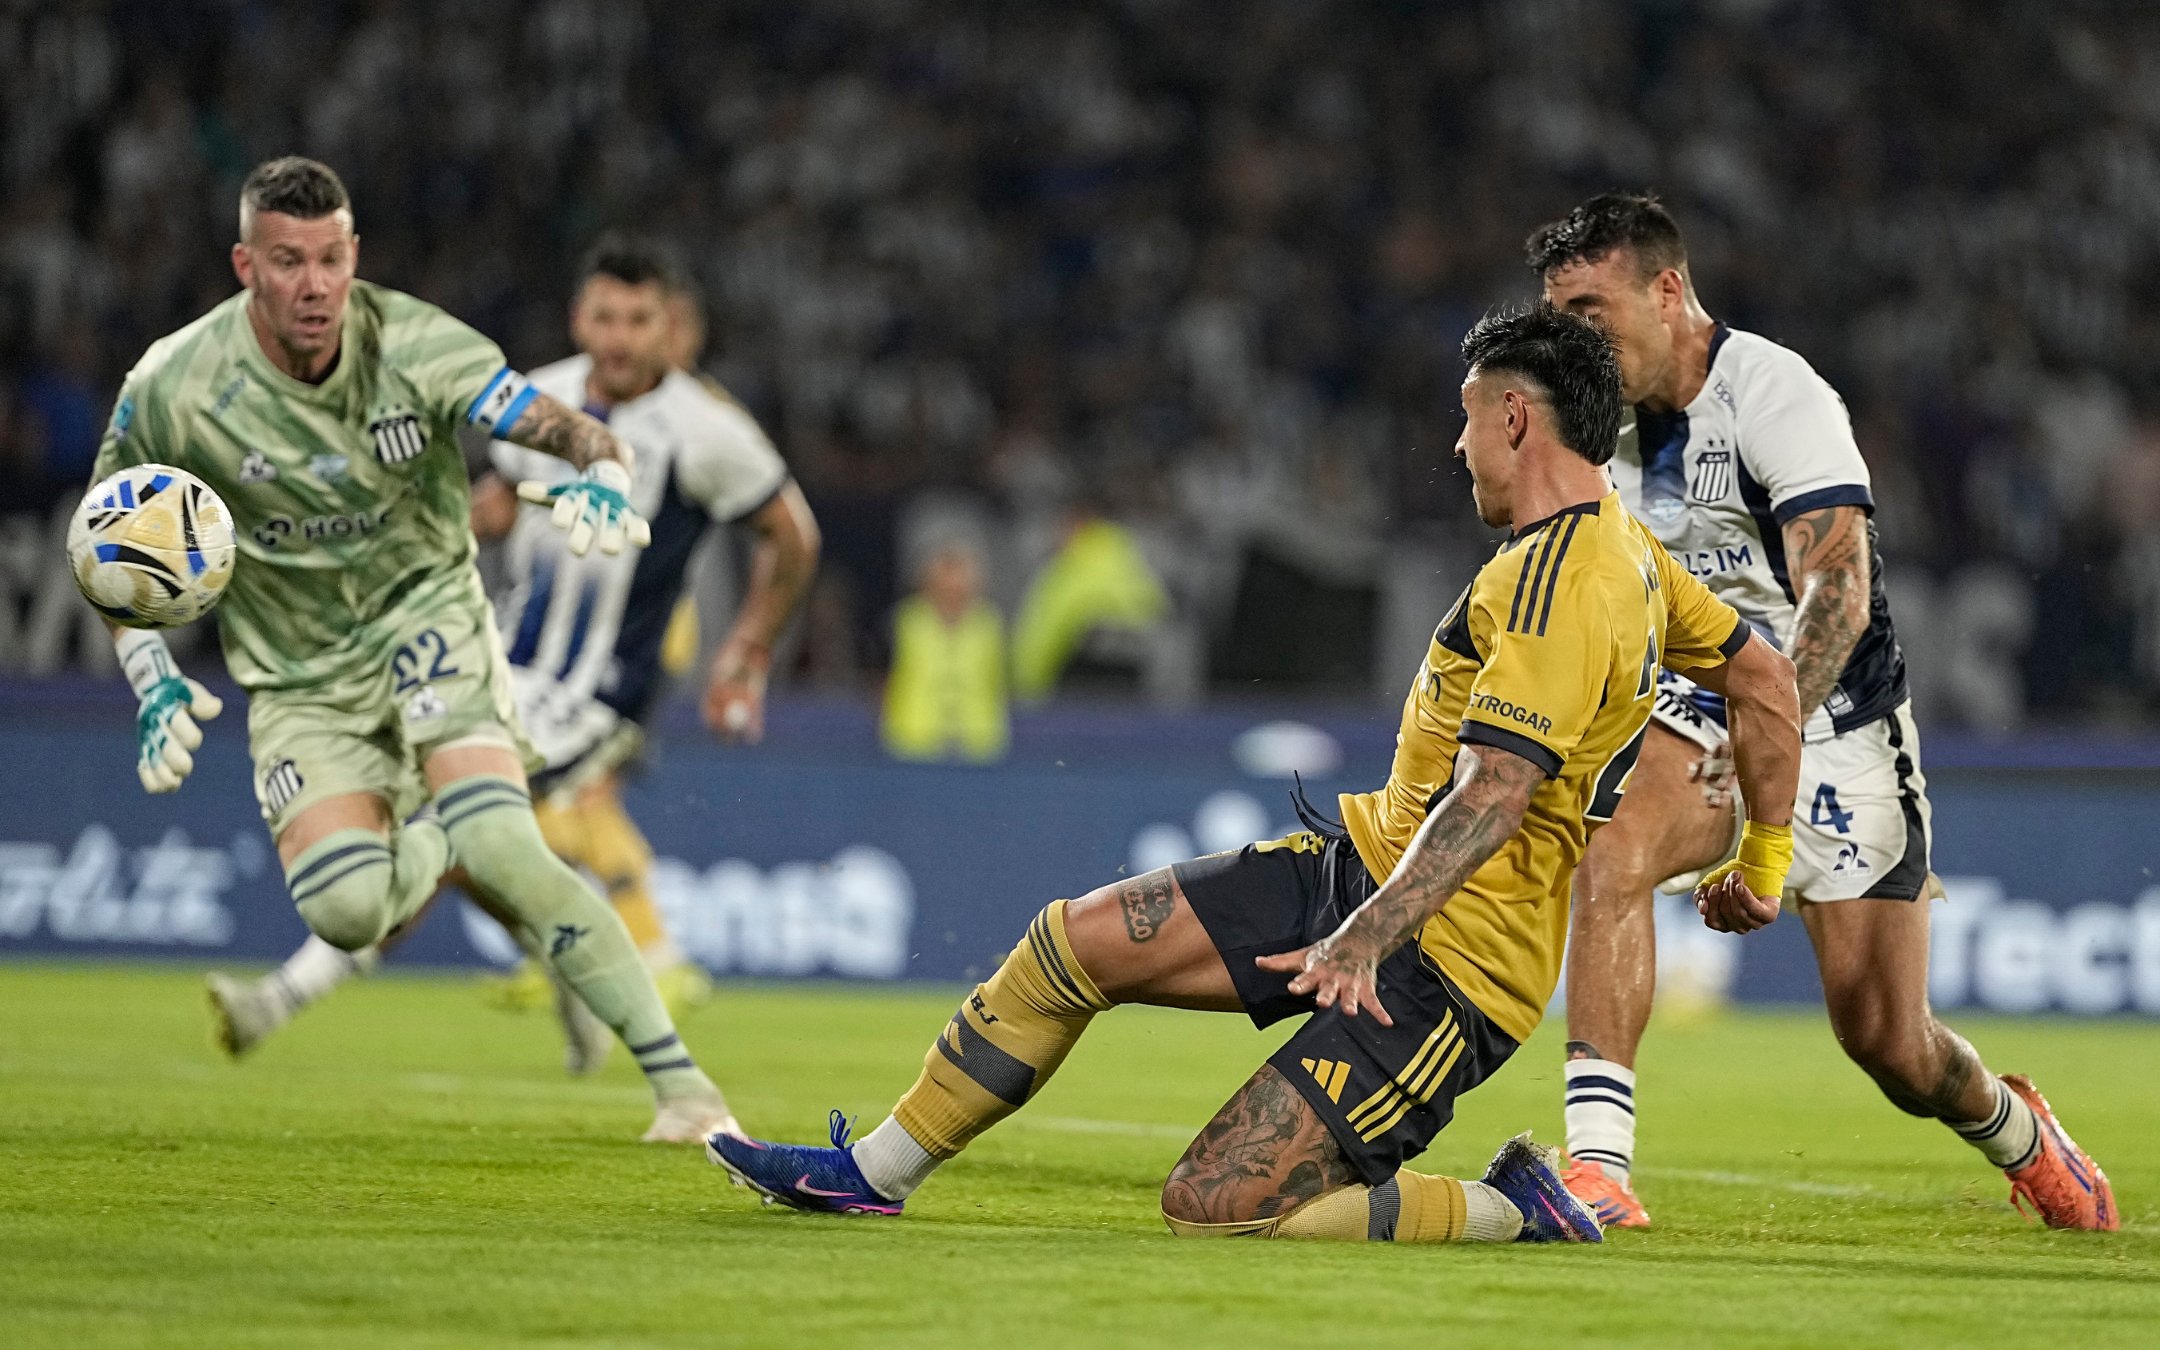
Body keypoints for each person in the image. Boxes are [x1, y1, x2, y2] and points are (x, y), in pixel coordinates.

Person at [709, 306, 1803, 1245]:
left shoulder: (1566, 579)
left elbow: (1495, 793)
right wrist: (1762, 860)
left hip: (1451, 968)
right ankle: (874, 1174)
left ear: (1514, 417)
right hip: (1364, 868)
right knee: (1073, 943)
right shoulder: (1629, 556)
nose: (1459, 442)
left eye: (1468, 416)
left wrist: (1364, 939)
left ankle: (1516, 1207)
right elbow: (1766, 682)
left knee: (1217, 1204)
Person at [100, 157, 734, 1142]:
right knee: (350, 911)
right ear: (245, 266)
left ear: (355, 255)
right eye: (288, 262)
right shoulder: (173, 386)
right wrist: (153, 678)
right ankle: (446, 837)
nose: (315, 285)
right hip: (301, 678)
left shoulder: (417, 343)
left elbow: (562, 426)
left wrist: (603, 466)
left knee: (504, 844)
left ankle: (687, 1092)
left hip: (429, 623)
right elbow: (111, 548)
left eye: (331, 259)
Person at [1529, 192, 2116, 1231]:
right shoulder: (1588, 418)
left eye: (1589, 310)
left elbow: (1838, 591)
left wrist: (1773, 721)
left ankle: (2021, 1133)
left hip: (1836, 721)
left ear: (1666, 292)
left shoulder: (1775, 392)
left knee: (1891, 1044)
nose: (1570, 337)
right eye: (1556, 315)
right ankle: (1599, 1171)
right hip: (1696, 703)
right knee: (1611, 846)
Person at [208, 236, 821, 1074]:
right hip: (491, 660)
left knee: (448, 823)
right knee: (474, 849)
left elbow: (792, 536)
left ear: (667, 326)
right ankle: (572, 982)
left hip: (592, 698)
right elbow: (497, 504)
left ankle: (278, 1000)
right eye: (605, 317)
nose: (619, 337)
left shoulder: (707, 432)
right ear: (579, 318)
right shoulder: (546, 398)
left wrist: (746, 652)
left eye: (638, 320)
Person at [881, 542, 1009, 763]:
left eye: (959, 587)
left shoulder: (990, 624)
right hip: (913, 745)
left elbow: (1002, 681)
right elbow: (880, 677)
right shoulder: (905, 621)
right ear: (927, 585)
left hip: (979, 748)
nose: (952, 592)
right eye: (945, 585)